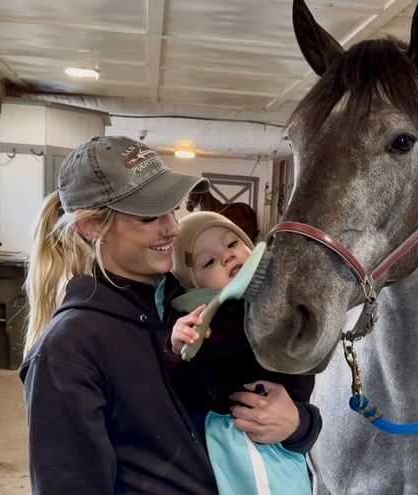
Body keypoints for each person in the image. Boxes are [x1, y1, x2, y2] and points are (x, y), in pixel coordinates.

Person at [18, 135, 308, 494]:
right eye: (149, 216)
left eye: (172, 209)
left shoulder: (190, 306)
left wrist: (298, 424)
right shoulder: (68, 350)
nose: (172, 227)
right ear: (91, 227)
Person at [168, 211, 320, 495]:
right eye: (209, 261)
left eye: (232, 244)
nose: (227, 256)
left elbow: (302, 380)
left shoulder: (280, 301)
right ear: (193, 282)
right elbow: (195, 389)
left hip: (283, 446)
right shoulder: (203, 323)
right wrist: (179, 351)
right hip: (235, 443)